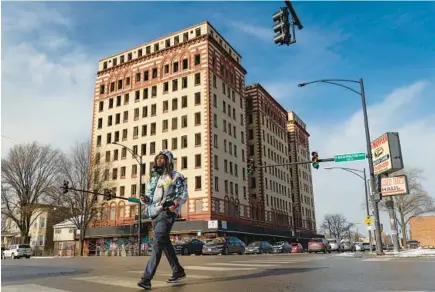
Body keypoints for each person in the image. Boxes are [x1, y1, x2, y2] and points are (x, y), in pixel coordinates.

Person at [137, 150, 188, 290]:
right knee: (164, 243)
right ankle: (178, 271)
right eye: (158, 158)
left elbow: (183, 194)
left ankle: (147, 278)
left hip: (166, 214)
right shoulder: (153, 178)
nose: (159, 160)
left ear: (169, 161)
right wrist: (145, 199)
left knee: (157, 242)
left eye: (162, 158)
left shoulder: (176, 176)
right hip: (153, 214)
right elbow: (149, 196)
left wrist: (174, 205)